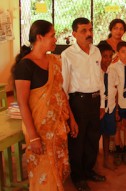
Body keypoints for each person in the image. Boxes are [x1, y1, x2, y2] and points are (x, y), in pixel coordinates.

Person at [12, 20, 78, 191]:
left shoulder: (54, 61)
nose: (56, 39)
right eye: (52, 35)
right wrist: (33, 137)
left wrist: (71, 118)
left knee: (59, 169)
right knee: (42, 175)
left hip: (58, 128)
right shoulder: (25, 66)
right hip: (38, 130)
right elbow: (22, 103)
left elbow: (60, 93)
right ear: (39, 37)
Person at [61, 17, 106, 191]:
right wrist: (69, 115)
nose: (89, 34)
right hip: (77, 102)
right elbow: (63, 88)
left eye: (90, 30)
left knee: (93, 139)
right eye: (83, 31)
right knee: (77, 141)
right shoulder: (68, 55)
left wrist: (102, 103)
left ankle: (88, 170)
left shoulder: (96, 51)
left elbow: (100, 78)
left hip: (95, 101)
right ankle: (78, 176)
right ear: (74, 34)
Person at [97, 43, 118, 170]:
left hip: (110, 108)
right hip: (98, 109)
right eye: (105, 56)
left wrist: (116, 110)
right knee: (95, 136)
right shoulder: (95, 72)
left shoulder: (113, 72)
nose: (108, 59)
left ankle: (106, 159)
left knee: (107, 135)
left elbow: (115, 90)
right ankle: (93, 161)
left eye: (110, 56)